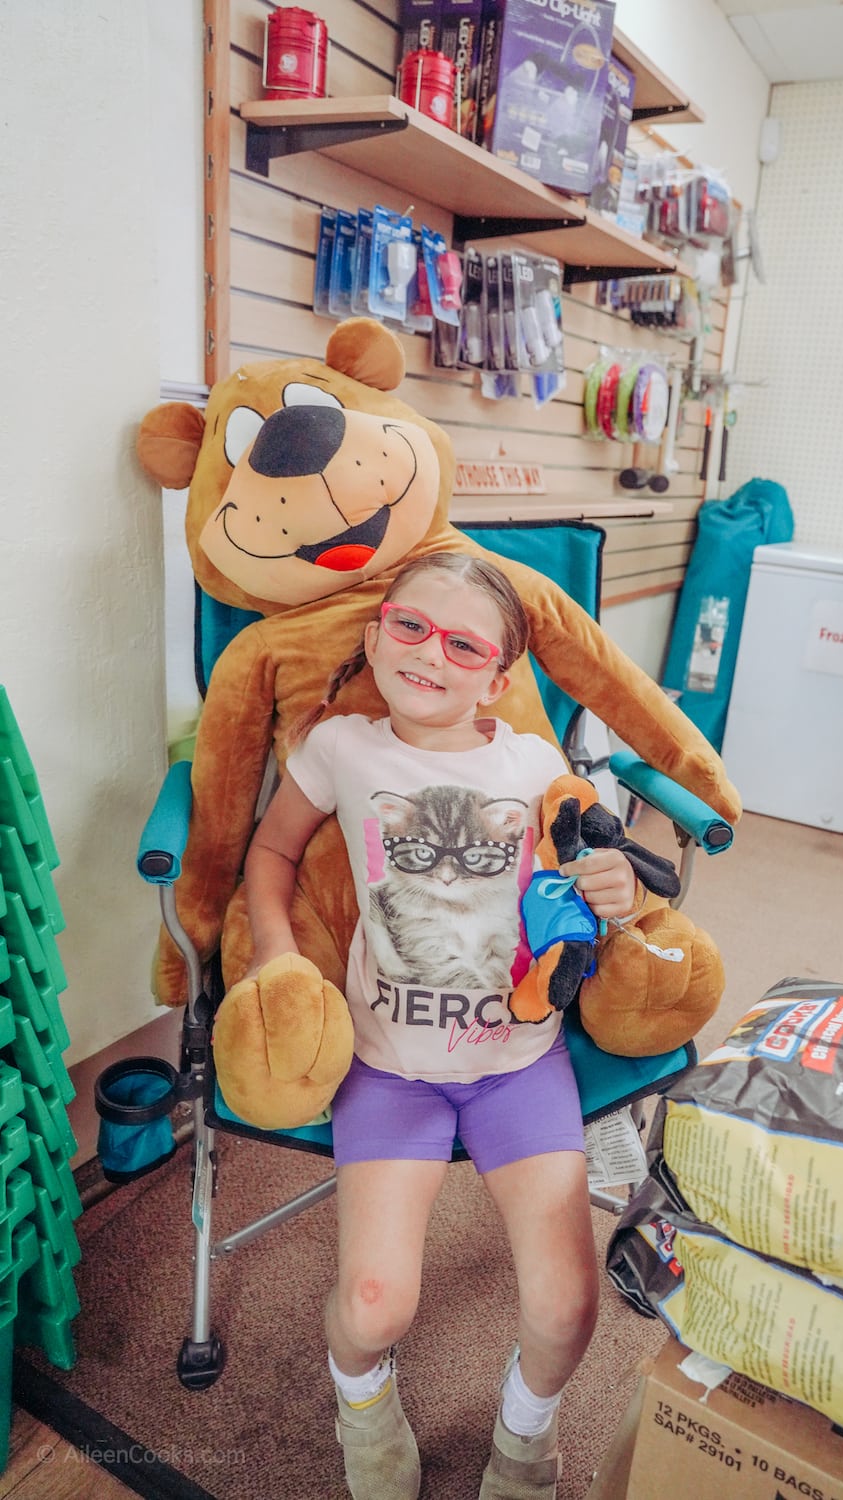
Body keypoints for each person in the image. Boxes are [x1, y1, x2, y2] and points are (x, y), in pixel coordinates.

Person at [240, 552, 641, 1500]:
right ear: (375, 633)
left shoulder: (537, 764)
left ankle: (524, 1436)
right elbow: (273, 847)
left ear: (499, 678)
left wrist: (612, 890)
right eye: (411, 626)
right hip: (387, 1066)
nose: (430, 653)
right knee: (376, 1304)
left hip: (518, 1062)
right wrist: (274, 954)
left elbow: (583, 879)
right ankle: (363, 1407)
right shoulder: (342, 747)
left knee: (568, 1299)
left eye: (464, 644)